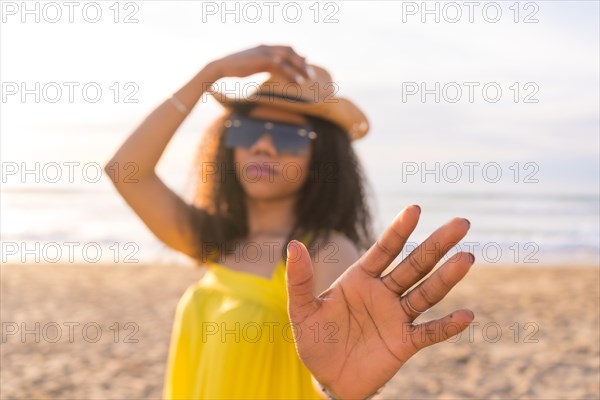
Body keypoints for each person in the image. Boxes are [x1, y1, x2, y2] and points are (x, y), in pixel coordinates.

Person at [104, 44, 476, 400]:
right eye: (248, 130)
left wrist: (337, 391)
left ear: (322, 156)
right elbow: (126, 171)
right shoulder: (217, 240)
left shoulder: (325, 253)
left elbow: (339, 370)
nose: (263, 146)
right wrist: (210, 74)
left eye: (290, 136)